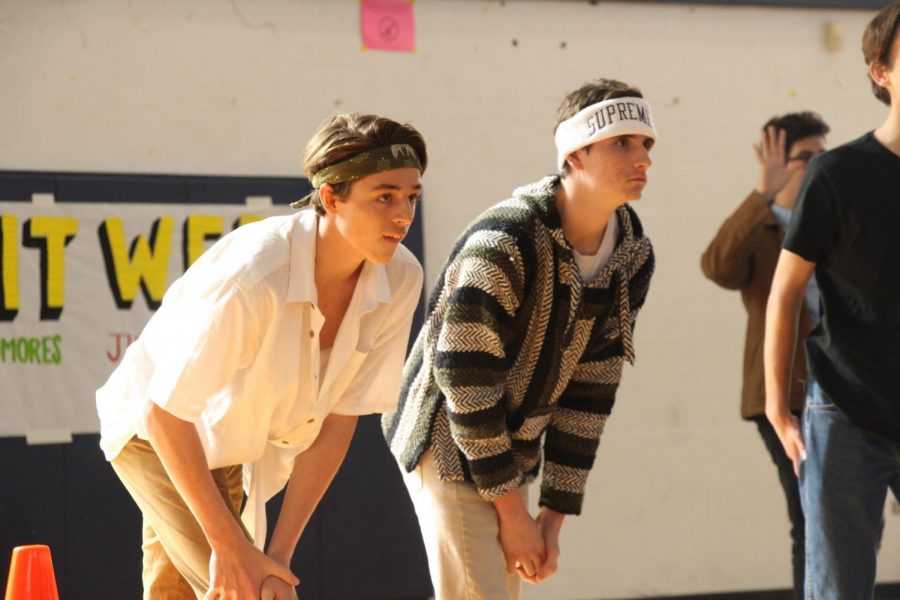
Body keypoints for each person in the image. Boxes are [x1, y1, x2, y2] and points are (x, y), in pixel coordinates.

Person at [96, 113, 426, 599]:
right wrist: (236, 553)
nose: (402, 215)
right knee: (249, 590)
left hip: (228, 442)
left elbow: (338, 421)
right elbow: (163, 412)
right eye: (384, 196)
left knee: (192, 589)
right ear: (331, 197)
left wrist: (280, 554)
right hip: (154, 431)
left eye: (411, 197)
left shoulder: (401, 278)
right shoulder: (257, 275)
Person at [383, 78, 656, 599]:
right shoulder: (503, 243)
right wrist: (513, 513)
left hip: (511, 448)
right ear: (576, 154)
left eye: (647, 143)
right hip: (446, 437)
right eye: (623, 141)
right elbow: (464, 381)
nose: (642, 156)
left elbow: (591, 392)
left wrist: (552, 516)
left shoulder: (632, 254)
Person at [764, 3, 900, 598]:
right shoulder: (838, 173)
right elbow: (785, 291)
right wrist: (777, 405)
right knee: (839, 588)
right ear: (881, 71)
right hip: (845, 411)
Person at [701, 111, 829, 599]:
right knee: (810, 513)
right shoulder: (763, 230)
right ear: (779, 163)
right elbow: (716, 265)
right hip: (785, 394)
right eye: (806, 157)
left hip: (853, 387)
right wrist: (761, 196)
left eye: (824, 156)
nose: (818, 166)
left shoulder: (839, 220)